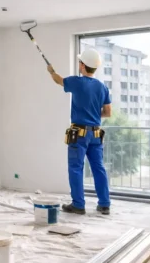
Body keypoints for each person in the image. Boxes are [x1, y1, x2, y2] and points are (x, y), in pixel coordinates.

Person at [47, 48, 112, 215]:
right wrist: (93, 115)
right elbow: (107, 113)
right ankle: (104, 204)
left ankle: (78, 204)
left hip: (79, 134)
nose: (79, 65)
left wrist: (51, 70)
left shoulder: (77, 82)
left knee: (76, 168)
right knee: (98, 168)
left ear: (83, 66)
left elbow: (58, 80)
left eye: (79, 62)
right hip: (96, 134)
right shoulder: (102, 87)